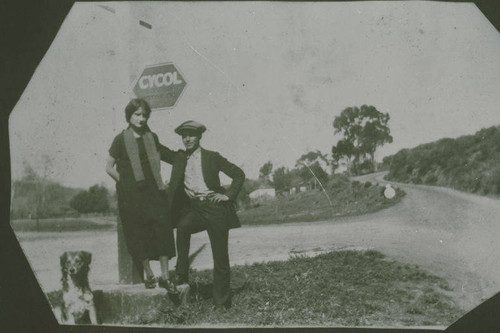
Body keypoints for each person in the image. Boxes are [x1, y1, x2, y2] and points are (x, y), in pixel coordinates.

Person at [160, 120, 245, 309]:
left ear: (200, 137)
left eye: (191, 135)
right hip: (195, 209)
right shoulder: (179, 158)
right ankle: (181, 273)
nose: (187, 139)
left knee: (220, 256)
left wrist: (227, 196)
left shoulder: (213, 157)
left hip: (216, 209)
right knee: (182, 227)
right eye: (184, 135)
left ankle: (222, 302)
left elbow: (239, 174)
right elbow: (159, 149)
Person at [105, 98, 177, 293]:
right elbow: (108, 167)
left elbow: (166, 155)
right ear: (129, 116)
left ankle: (166, 277)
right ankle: (149, 274)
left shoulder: (151, 137)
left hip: (154, 191)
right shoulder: (120, 139)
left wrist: (182, 157)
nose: (141, 118)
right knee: (137, 233)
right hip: (132, 195)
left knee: (163, 229)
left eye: (144, 115)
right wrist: (125, 183)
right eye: (137, 114)